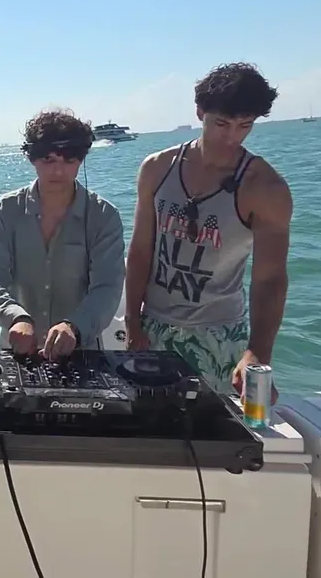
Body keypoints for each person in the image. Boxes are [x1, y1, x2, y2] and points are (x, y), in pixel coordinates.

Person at [123, 62, 292, 400]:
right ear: (200, 111)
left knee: (214, 428)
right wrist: (131, 320)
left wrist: (258, 353)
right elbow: (141, 250)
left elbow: (270, 278)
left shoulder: (265, 188)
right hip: (152, 326)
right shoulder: (157, 168)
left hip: (219, 335)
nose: (231, 137)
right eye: (221, 124)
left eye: (245, 126)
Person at [0, 109, 126, 359]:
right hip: (16, 348)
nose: (58, 171)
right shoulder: (5, 210)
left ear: (81, 160)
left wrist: (74, 326)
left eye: (69, 160)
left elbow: (107, 287)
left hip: (81, 351)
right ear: (32, 159)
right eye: (48, 160)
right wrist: (16, 317)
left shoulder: (104, 216)